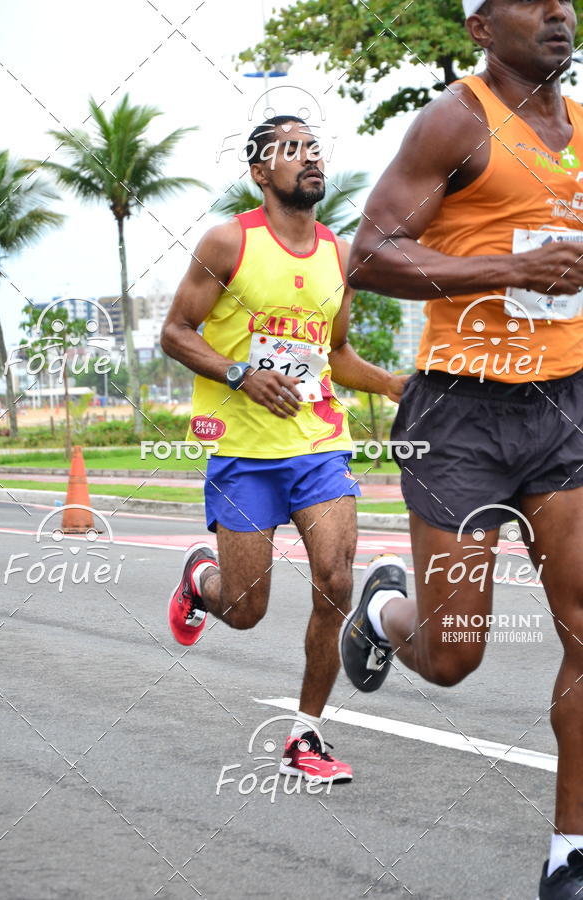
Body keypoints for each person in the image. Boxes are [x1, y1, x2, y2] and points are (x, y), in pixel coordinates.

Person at [339, 0, 583, 895]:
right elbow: (368, 256)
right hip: (460, 417)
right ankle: (385, 616)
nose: (558, 11)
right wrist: (507, 270)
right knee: (453, 657)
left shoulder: (582, 130)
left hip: (565, 406)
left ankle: (571, 854)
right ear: (482, 27)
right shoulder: (456, 120)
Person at [161, 116, 405, 784]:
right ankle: (199, 580)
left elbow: (337, 354)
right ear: (261, 173)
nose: (309, 159)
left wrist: (393, 384)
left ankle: (306, 737)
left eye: (314, 148)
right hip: (243, 453)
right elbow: (176, 332)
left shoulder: (339, 254)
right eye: (291, 151)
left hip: (317, 443)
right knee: (245, 610)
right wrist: (241, 373)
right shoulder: (228, 242)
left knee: (335, 580)